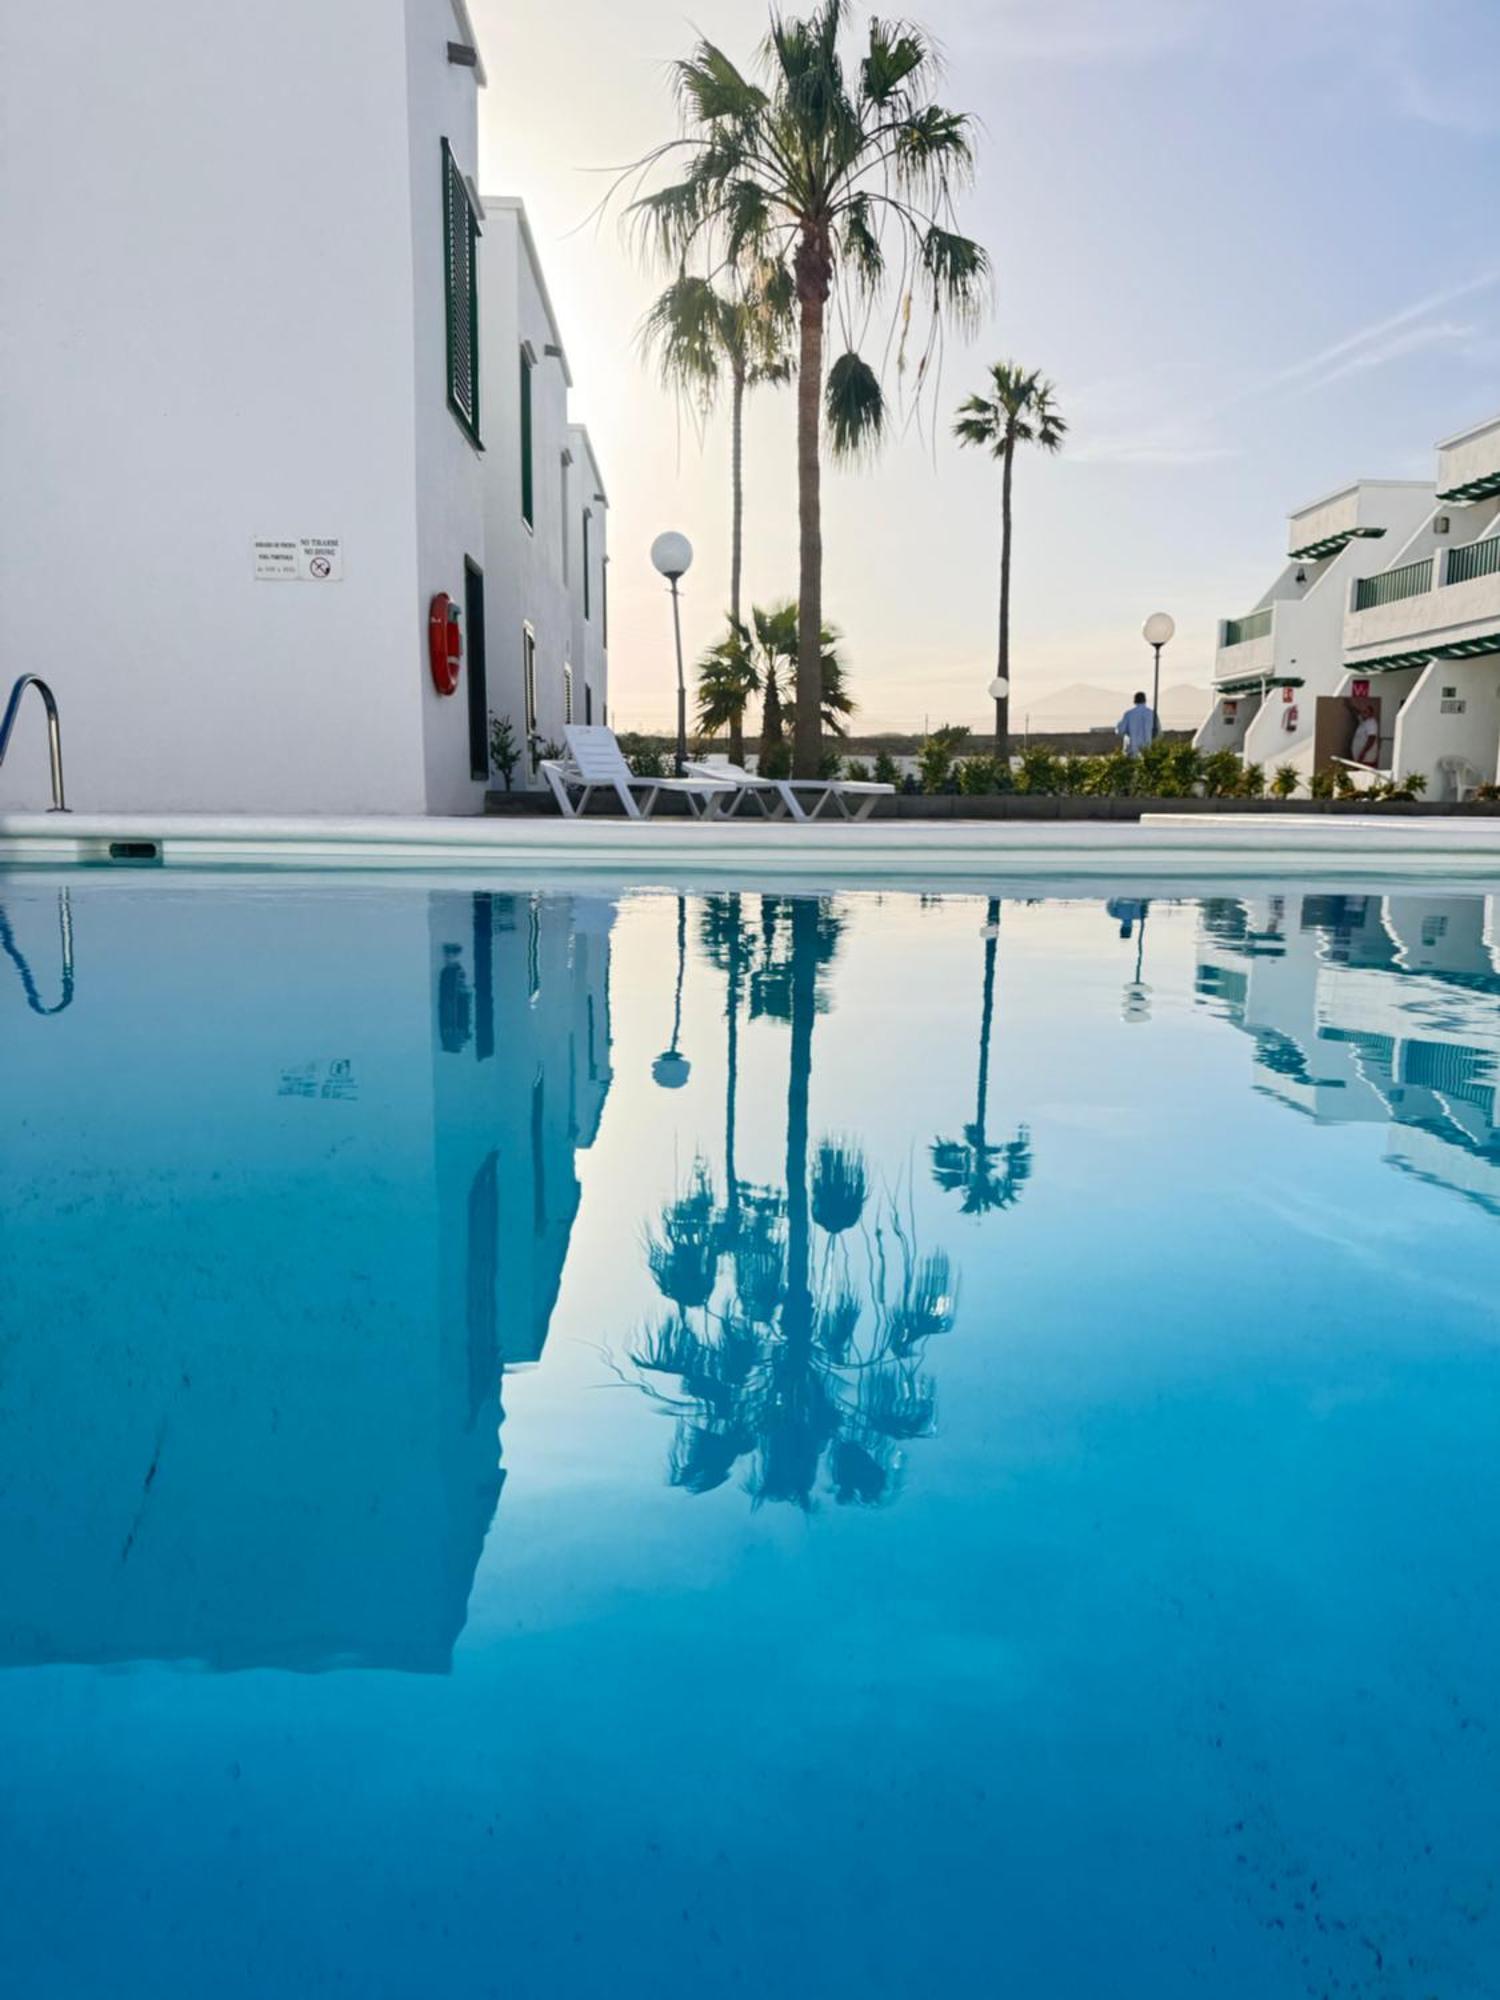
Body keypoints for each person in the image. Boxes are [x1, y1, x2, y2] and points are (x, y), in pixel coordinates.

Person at [1116, 691, 1156, 757]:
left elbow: (1120, 731)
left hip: (1132, 750)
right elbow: (1158, 732)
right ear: (1145, 700)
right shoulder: (1151, 714)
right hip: (1147, 749)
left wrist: (1118, 726)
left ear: (1134, 701)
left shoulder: (1129, 714)